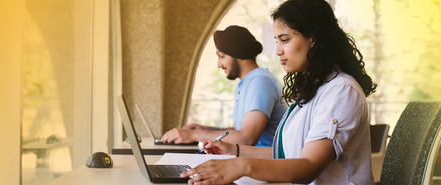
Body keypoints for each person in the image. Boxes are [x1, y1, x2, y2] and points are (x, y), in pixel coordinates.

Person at [180, 0, 378, 184]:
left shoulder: (341, 90)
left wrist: (240, 165)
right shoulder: (314, 88)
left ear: (313, 38)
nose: (277, 50)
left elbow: (308, 165)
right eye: (277, 40)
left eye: (285, 39)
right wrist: (235, 151)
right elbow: (289, 155)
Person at [161, 25, 288, 147]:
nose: (219, 64)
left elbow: (246, 139)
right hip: (249, 161)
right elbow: (236, 131)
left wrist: (193, 135)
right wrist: (204, 129)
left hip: (265, 164)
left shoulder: (260, 82)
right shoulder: (246, 83)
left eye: (221, 56)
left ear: (238, 54)